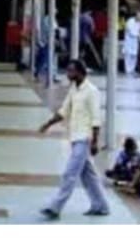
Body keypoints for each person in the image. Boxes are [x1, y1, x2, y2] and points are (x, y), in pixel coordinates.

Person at [39, 59, 110, 219]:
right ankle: (101, 206)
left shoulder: (91, 91)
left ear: (80, 72)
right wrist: (48, 124)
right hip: (75, 137)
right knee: (88, 175)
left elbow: (96, 118)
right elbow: (64, 110)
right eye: (68, 71)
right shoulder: (74, 89)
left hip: (85, 138)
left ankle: (55, 207)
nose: (68, 74)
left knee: (69, 174)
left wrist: (95, 141)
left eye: (71, 71)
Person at [123, 11, 140, 76]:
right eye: (139, 16)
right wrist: (139, 35)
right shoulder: (130, 21)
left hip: (135, 42)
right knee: (128, 56)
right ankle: (128, 70)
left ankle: (132, 70)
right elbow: (131, 32)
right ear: (135, 16)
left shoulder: (139, 23)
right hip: (129, 41)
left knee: (134, 56)